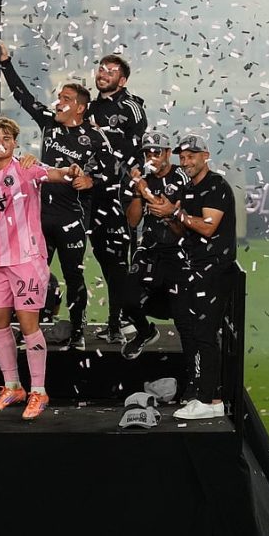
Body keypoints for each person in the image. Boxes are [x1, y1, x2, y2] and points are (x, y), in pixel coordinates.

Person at [0, 40, 117, 350]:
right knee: (35, 275)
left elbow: (113, 175)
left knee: (73, 275)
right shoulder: (49, 124)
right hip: (42, 216)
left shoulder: (95, 138)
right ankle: (32, 331)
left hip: (72, 219)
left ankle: (77, 331)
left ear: (80, 107)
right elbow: (24, 97)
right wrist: (5, 62)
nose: (59, 102)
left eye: (66, 99)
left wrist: (91, 181)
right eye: (59, 97)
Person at [0, 117, 86, 420]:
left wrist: (72, 171)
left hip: (27, 260)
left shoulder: (26, 168)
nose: (0, 143)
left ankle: (38, 390)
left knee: (27, 323)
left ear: (14, 142)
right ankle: (12, 386)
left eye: (6, 138)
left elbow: (57, 174)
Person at [165, 134, 236, 420]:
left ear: (205, 156)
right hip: (196, 266)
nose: (186, 161)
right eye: (182, 157)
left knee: (206, 333)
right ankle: (207, 396)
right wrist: (170, 217)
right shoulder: (190, 188)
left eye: (191, 156)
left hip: (215, 269)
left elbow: (207, 227)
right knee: (197, 331)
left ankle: (210, 400)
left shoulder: (216, 185)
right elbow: (185, 231)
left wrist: (176, 213)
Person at [87, 54, 148, 342]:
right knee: (103, 256)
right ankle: (116, 321)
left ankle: (123, 321)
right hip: (95, 193)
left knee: (121, 260)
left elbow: (138, 148)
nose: (103, 74)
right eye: (101, 69)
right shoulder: (90, 107)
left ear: (122, 80)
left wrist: (131, 187)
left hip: (122, 193)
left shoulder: (132, 106)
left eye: (111, 71)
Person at [120, 132, 189, 360]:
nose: (152, 157)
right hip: (149, 247)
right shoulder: (144, 180)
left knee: (181, 308)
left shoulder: (182, 177)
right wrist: (137, 191)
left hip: (178, 247)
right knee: (127, 299)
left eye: (156, 152)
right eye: (147, 153)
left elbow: (177, 214)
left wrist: (147, 193)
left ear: (168, 153)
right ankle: (144, 332)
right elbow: (133, 221)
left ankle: (194, 353)